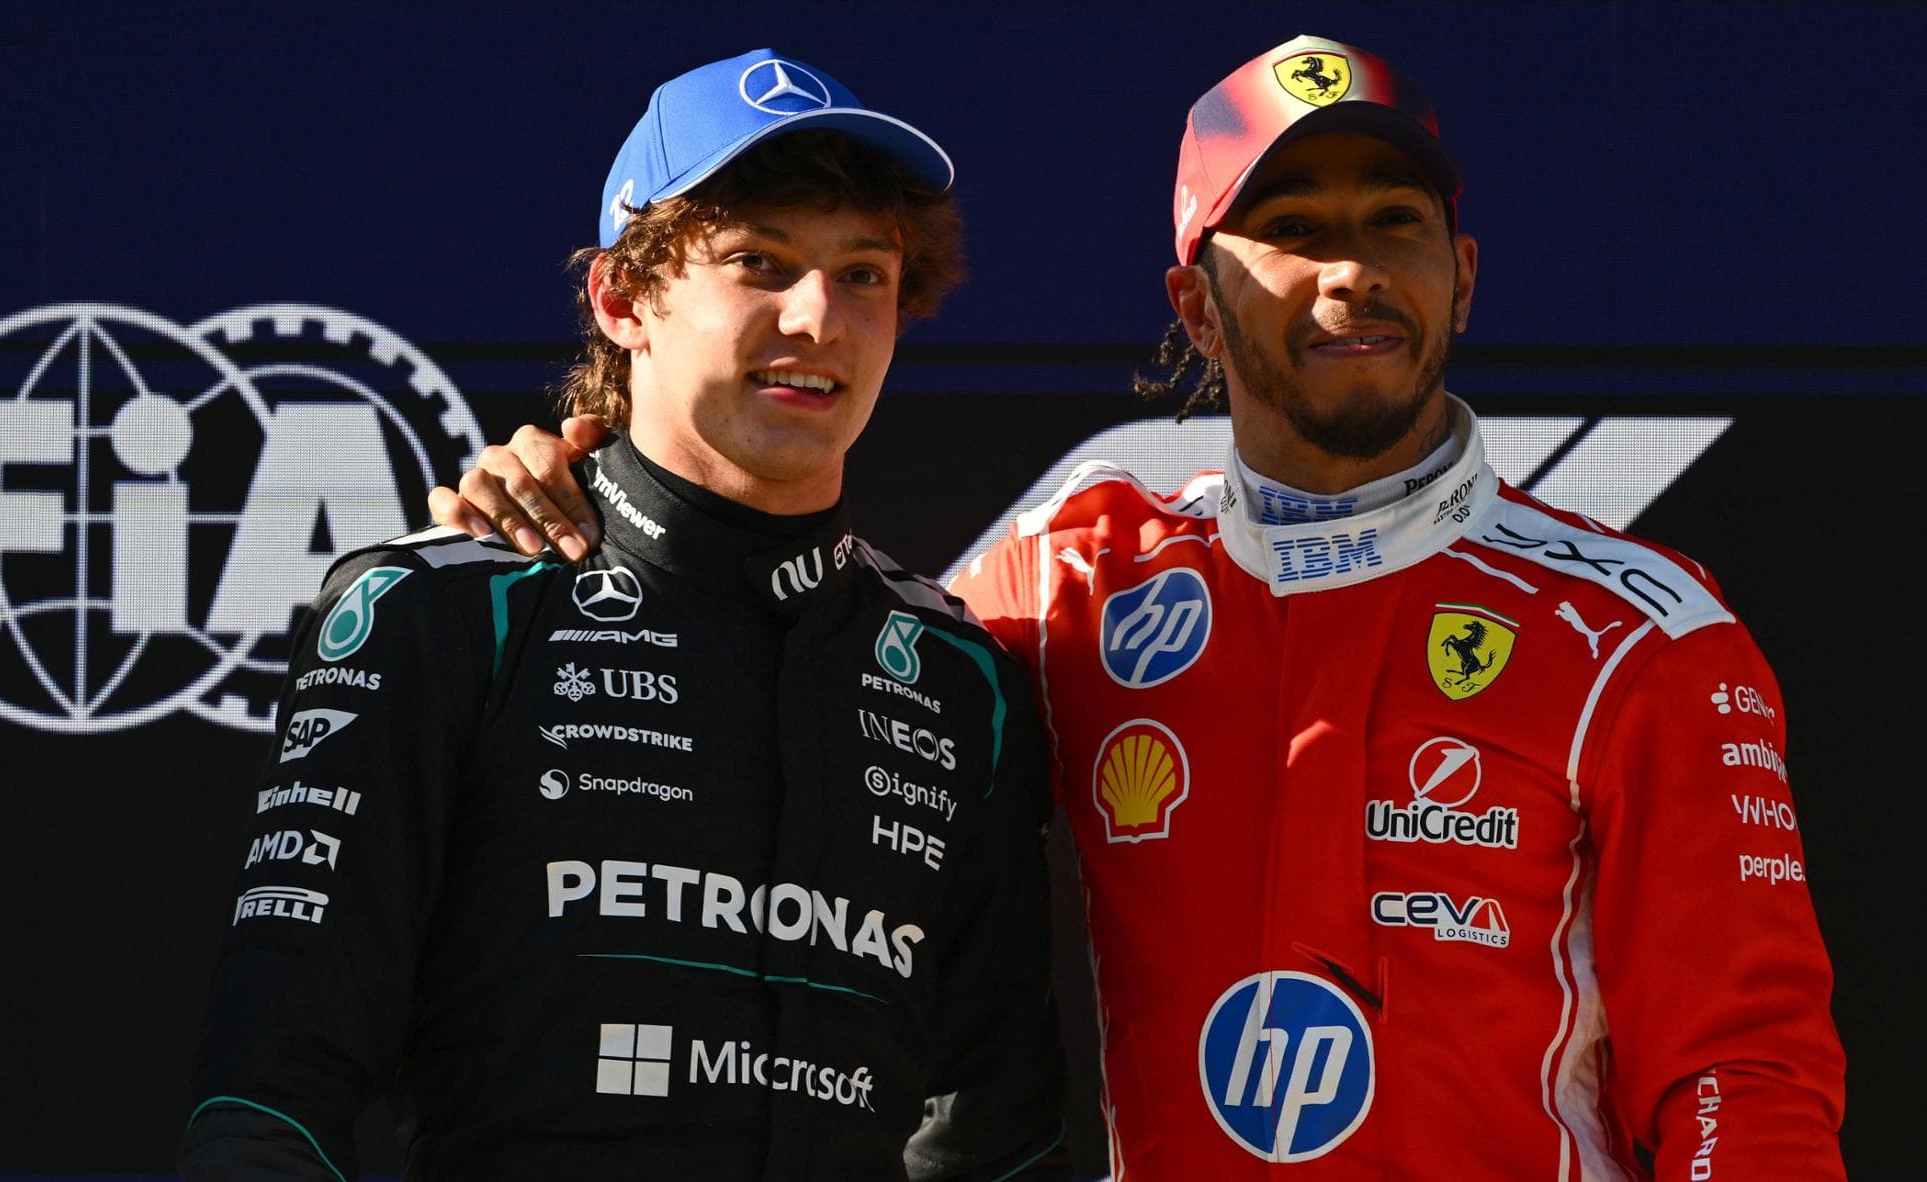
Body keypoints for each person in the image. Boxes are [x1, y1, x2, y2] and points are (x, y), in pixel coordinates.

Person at [429, 32, 1849, 1180]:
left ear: (1461, 278)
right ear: (1195, 304)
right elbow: (795, 643)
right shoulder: (1075, 575)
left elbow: (1746, 1074)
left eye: (1395, 225)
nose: (1352, 271)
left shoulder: (1643, 632)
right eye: (1289, 230)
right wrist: (575, 486)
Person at [180, 48, 1068, 1181]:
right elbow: (268, 1100)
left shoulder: (959, 679)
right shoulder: (441, 611)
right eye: (757, 262)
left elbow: (998, 1135)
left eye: (863, 274)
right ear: (622, 299)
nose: (818, 318)